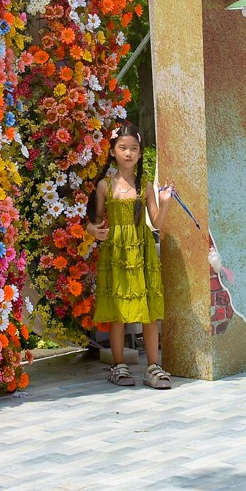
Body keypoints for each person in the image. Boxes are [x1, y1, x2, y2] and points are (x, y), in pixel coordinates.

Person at [84, 122, 174, 390]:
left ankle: (153, 367)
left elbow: (156, 222)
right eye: (122, 147)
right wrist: (92, 231)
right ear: (112, 151)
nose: (128, 153)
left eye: (133, 148)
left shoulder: (144, 186)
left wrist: (165, 202)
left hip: (141, 250)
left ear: (140, 153)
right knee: (118, 311)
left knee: (148, 309)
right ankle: (119, 365)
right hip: (116, 252)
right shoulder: (104, 186)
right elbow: (94, 221)